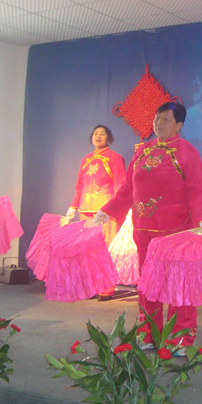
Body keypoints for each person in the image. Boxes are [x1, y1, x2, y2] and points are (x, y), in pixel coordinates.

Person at [94, 102, 202, 353]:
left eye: (165, 119)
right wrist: (108, 210)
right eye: (157, 118)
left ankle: (180, 337)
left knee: (180, 285)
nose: (158, 123)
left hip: (177, 232)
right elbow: (128, 188)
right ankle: (148, 334)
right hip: (144, 230)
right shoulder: (143, 151)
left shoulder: (187, 152)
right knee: (149, 285)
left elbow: (198, 189)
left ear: (179, 125)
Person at [64, 124, 126, 300]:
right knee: (88, 250)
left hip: (105, 211)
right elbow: (80, 186)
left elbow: (121, 184)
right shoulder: (86, 159)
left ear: (109, 138)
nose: (98, 136)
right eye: (95, 134)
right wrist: (73, 206)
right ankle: (91, 287)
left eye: (102, 134)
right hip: (85, 210)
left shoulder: (115, 158)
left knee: (105, 249)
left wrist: (118, 208)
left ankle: (106, 288)